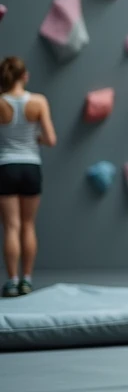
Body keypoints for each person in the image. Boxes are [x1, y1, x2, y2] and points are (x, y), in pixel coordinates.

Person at [0, 57, 55, 298]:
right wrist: (36, 139)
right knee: (28, 225)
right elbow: (51, 139)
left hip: (5, 166)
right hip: (31, 166)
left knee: (11, 227)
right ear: (25, 76)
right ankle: (27, 280)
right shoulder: (38, 101)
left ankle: (12, 280)